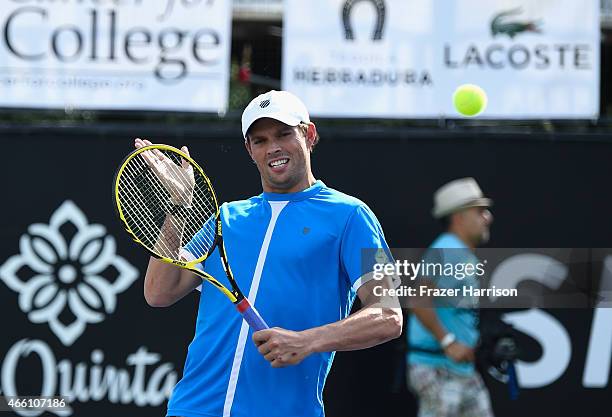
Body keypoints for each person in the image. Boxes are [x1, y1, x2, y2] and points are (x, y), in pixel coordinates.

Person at [135, 90, 402, 417]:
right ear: (250, 150)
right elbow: (159, 292)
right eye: (259, 140)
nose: (273, 147)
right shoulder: (226, 219)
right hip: (192, 409)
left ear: (309, 134)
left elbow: (389, 315)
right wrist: (176, 207)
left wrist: (307, 341)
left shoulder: (351, 216)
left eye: (284, 134)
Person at [407, 177, 495, 417]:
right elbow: (417, 299)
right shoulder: (448, 250)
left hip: (460, 370)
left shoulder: (460, 253)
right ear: (458, 217)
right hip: (437, 368)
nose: (488, 217)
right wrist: (448, 342)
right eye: (479, 211)